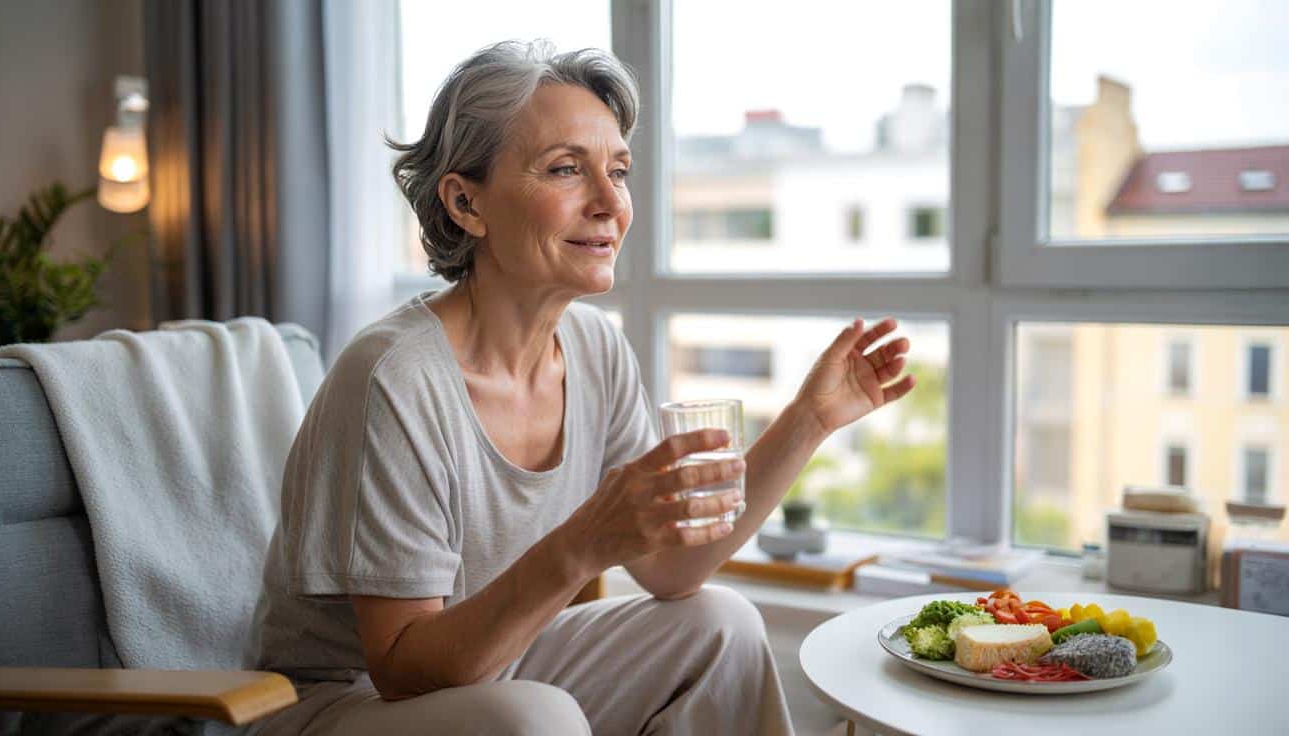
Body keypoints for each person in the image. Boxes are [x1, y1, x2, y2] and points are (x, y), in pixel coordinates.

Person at [250, 40, 915, 736]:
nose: (609, 203)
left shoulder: (594, 348)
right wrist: (583, 544)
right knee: (535, 715)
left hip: (494, 670)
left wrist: (808, 419)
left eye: (618, 171)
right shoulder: (394, 378)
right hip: (341, 706)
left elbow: (670, 572)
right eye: (566, 169)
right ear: (465, 202)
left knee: (723, 623)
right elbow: (402, 668)